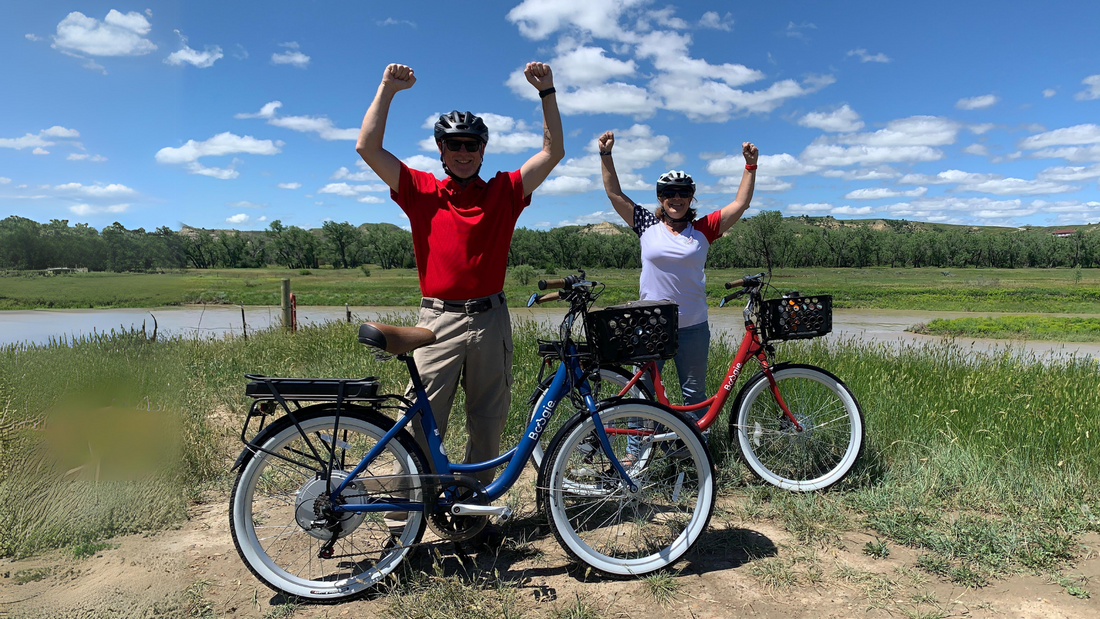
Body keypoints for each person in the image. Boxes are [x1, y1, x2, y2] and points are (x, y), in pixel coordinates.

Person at [355, 63, 564, 491]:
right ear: (441, 150)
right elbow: (368, 147)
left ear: (483, 151)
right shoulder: (421, 190)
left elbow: (552, 152)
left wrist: (547, 92)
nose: (463, 152)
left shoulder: (505, 191)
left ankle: (472, 515)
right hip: (436, 322)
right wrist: (387, 90)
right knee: (421, 422)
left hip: (490, 319)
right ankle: (404, 522)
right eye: (454, 145)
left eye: (471, 145)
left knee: (488, 423)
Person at [598, 130, 758, 429]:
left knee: (692, 394)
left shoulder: (703, 229)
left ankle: (691, 450)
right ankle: (637, 451)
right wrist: (606, 155)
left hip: (693, 325)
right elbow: (615, 194)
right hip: (649, 324)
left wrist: (750, 167)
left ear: (691, 198)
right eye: (670, 193)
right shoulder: (647, 225)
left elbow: (741, 204)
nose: (677, 198)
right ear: (660, 197)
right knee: (641, 394)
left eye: (684, 193)